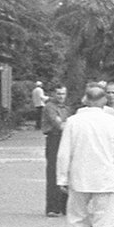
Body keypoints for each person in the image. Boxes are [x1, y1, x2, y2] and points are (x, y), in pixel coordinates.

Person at [56, 84, 114, 227]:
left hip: (79, 175)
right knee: (104, 220)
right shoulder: (112, 122)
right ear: (104, 100)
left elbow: (64, 152)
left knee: (78, 217)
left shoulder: (73, 121)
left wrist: (62, 177)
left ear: (86, 100)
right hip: (105, 176)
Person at [42, 85, 70, 217]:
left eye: (63, 94)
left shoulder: (67, 108)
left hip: (65, 139)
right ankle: (53, 207)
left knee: (66, 171)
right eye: (58, 93)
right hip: (54, 139)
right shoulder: (49, 107)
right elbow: (59, 125)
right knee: (53, 172)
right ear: (53, 94)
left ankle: (64, 206)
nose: (61, 96)